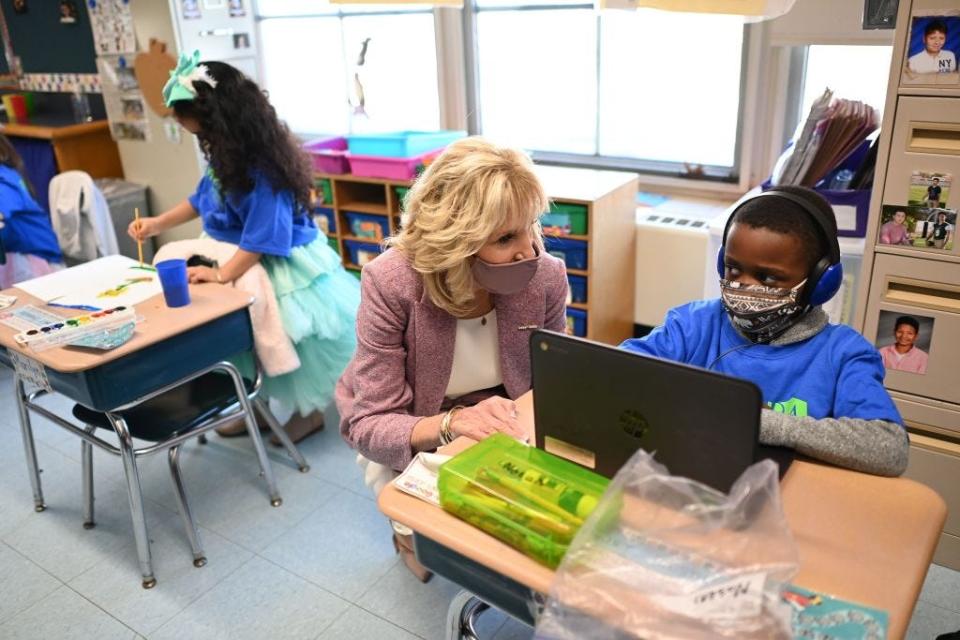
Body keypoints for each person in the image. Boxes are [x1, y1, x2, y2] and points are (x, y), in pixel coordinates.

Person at [336, 137, 569, 581]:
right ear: (455, 242)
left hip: (501, 409)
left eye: (531, 226)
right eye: (505, 238)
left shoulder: (544, 276)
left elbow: (552, 381)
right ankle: (405, 537)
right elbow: (371, 423)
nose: (530, 251)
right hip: (412, 413)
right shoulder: (392, 283)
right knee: (418, 528)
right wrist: (451, 424)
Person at [129, 51, 359, 443]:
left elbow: (263, 237)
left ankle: (309, 413)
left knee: (293, 342)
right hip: (234, 255)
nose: (188, 131)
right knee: (245, 342)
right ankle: (257, 405)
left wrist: (221, 274)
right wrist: (157, 224)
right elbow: (202, 198)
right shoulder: (225, 156)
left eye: (191, 124)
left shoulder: (262, 171)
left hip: (273, 263)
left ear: (217, 121)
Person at [621, 186, 909, 477]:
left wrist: (761, 422)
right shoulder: (693, 324)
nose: (744, 286)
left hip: (795, 501)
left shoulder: (844, 353)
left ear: (819, 283)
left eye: (769, 278)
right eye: (733, 269)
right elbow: (615, 373)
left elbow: (889, 447)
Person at [0, 134, 64, 289]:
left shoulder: (4, 180)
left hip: (36, 261)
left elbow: (3, 209)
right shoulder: (8, 173)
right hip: (21, 254)